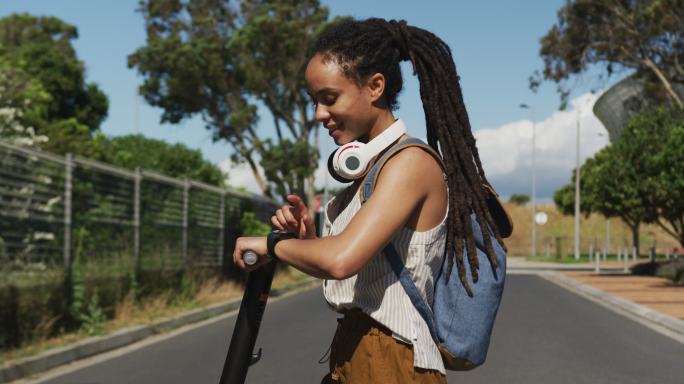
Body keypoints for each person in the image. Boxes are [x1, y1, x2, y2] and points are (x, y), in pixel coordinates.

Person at [232, 17, 506, 383]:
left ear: (375, 86)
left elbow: (342, 260)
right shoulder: (372, 168)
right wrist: (307, 242)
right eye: (315, 101)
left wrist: (272, 245)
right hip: (357, 350)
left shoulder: (410, 163)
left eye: (329, 99)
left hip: (391, 359)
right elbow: (354, 273)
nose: (318, 114)